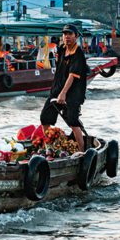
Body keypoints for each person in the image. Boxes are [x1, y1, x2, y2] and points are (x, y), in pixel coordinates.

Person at [40, 23, 88, 152]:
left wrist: (63, 94)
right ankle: (51, 146)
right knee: (45, 118)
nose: (67, 37)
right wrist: (57, 92)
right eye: (65, 34)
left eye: (70, 34)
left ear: (76, 36)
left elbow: (72, 76)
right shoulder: (61, 49)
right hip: (57, 89)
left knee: (72, 121)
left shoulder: (78, 54)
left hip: (73, 92)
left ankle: (82, 151)